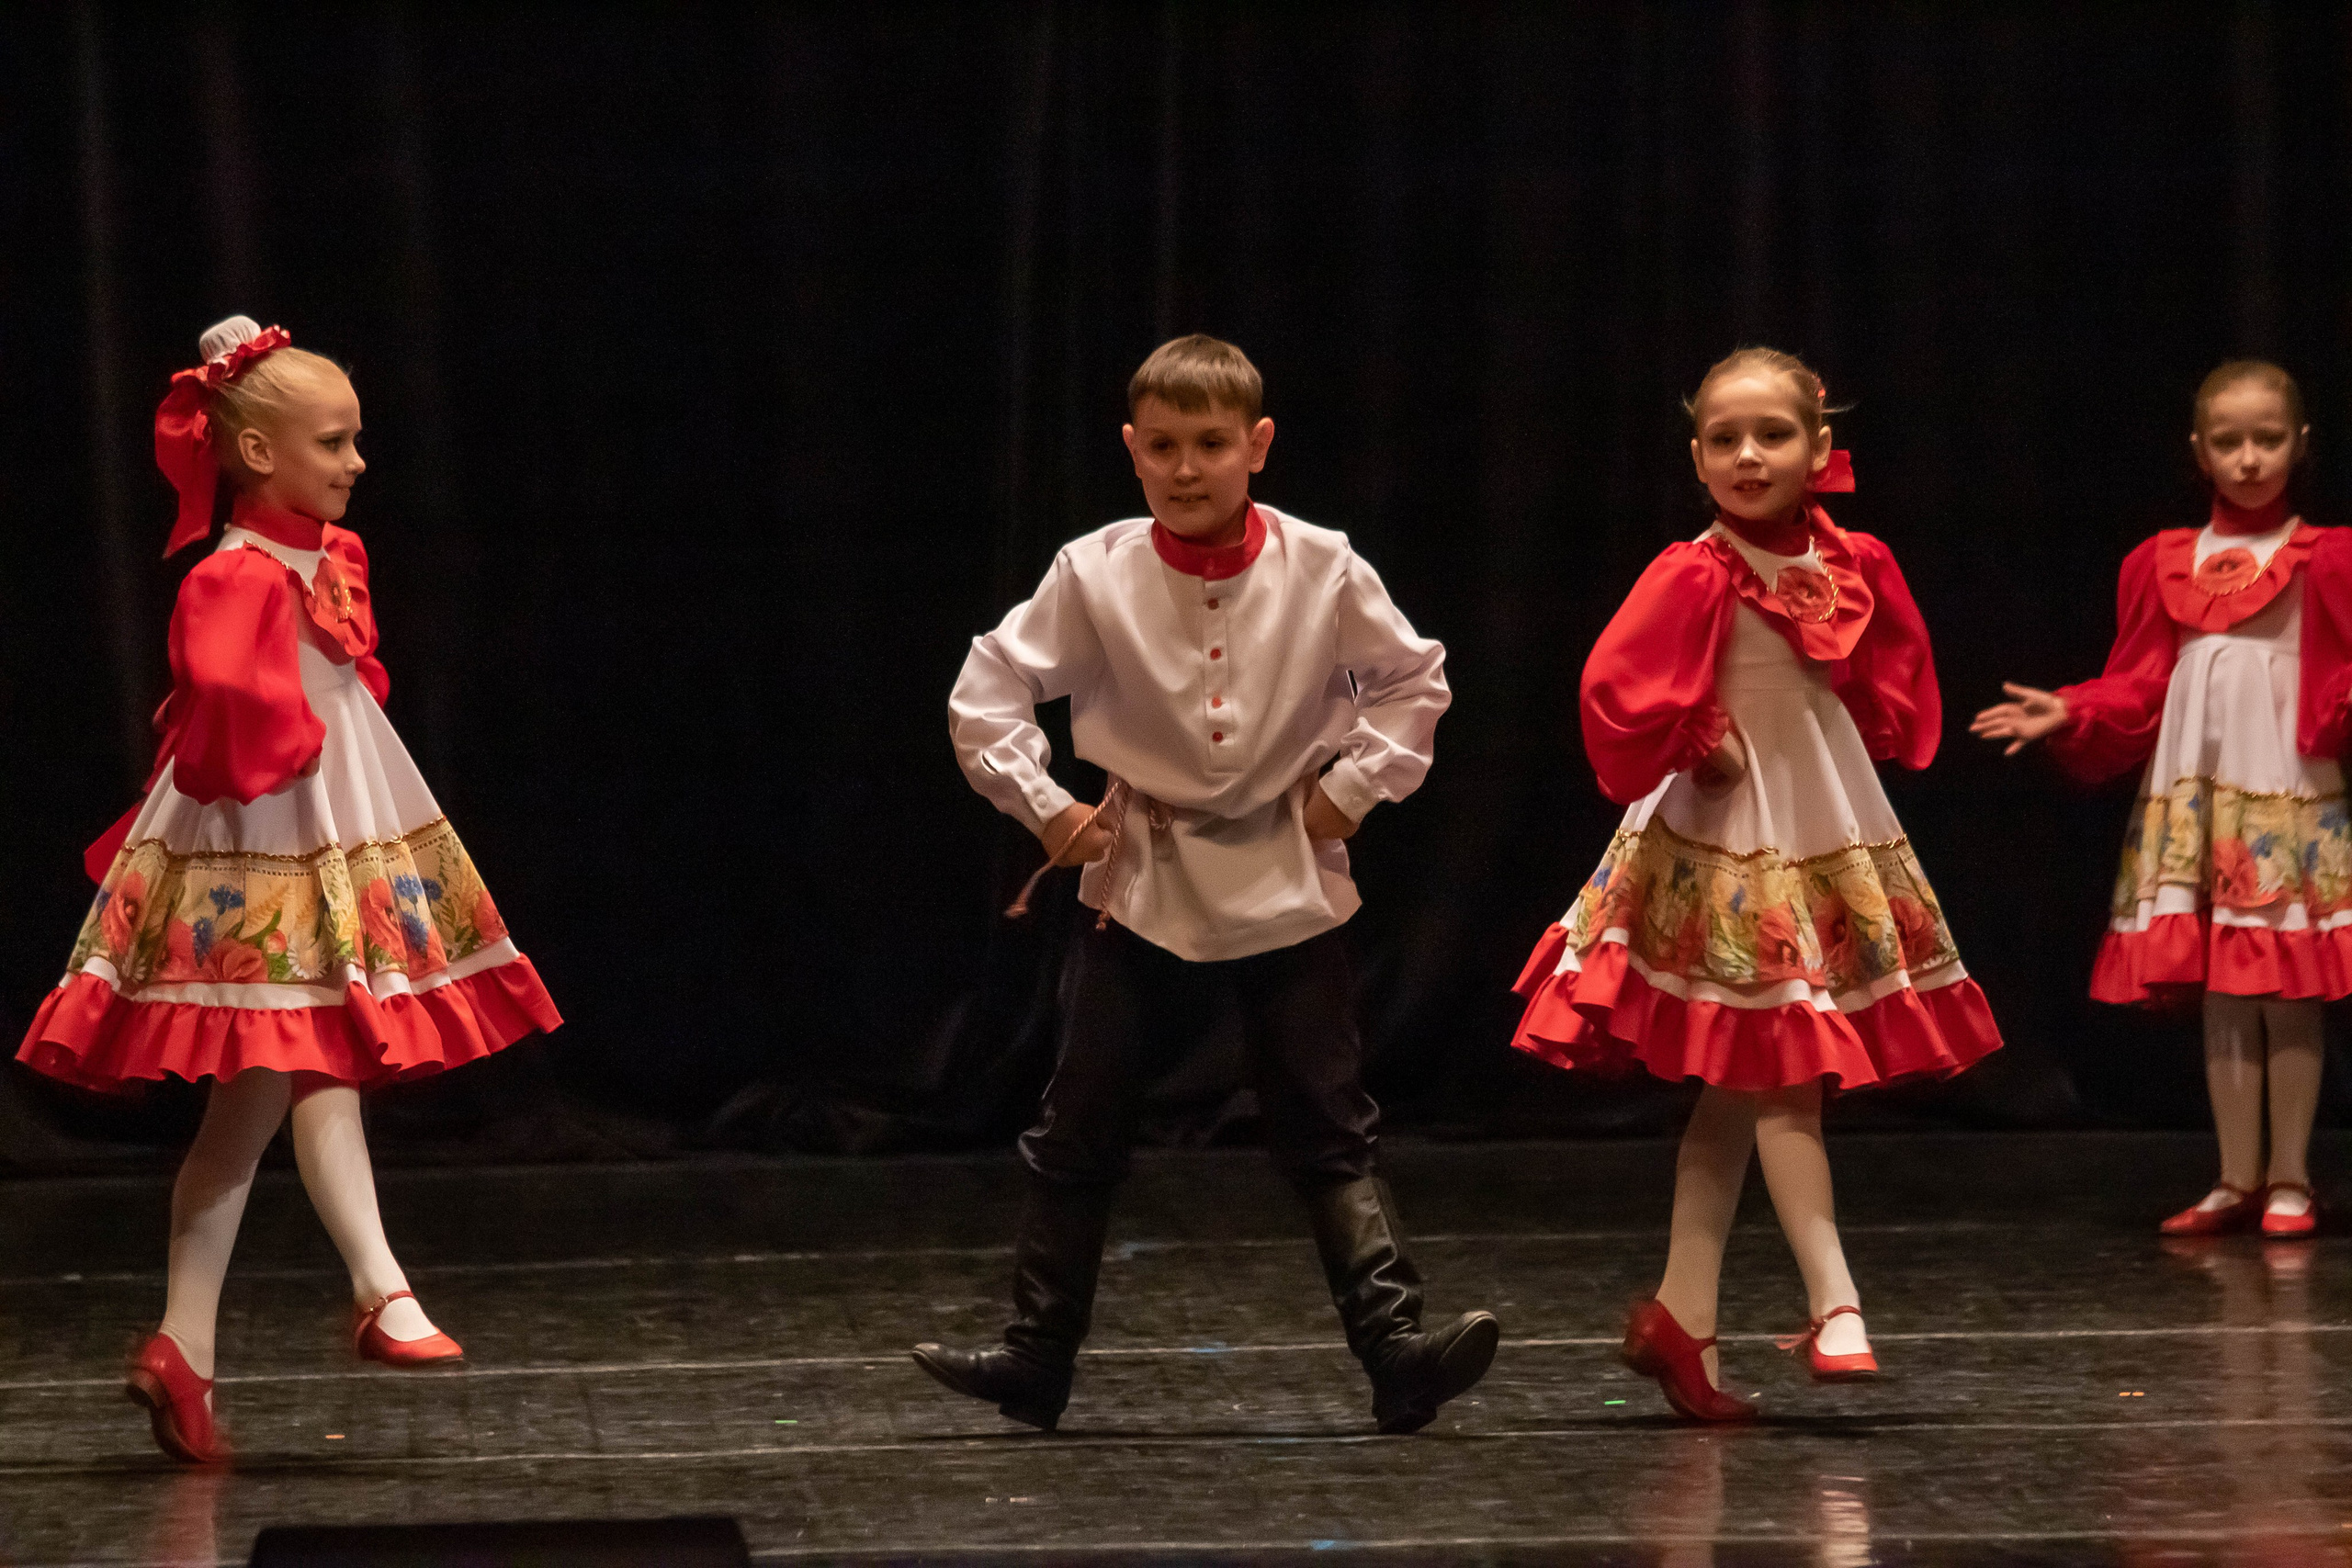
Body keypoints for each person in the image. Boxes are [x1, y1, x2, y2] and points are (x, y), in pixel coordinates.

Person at [918, 333, 1498, 1435]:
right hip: (1143, 876)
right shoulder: (1094, 572)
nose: (1188, 470)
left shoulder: (1322, 564)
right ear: (1132, 452)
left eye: (1213, 445)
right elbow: (986, 692)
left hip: (1285, 866)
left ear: (1257, 446)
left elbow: (1412, 678)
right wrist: (1048, 808)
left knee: (1325, 1119)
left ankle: (1395, 1351)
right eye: (1166, 448)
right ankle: (1036, 1357)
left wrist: (1354, 789)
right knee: (1080, 1115)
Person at [18, 317, 562, 1464]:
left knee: (247, 1109)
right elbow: (214, 694)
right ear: (257, 454)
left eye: (357, 439)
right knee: (309, 1052)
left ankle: (184, 1344)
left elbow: (348, 666)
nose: (357, 461)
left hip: (331, 814)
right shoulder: (234, 571)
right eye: (333, 442)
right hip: (255, 833)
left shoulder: (330, 553)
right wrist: (277, 724)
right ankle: (378, 1286)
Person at [1513, 347, 2001, 1422]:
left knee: (1735, 1094)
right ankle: (1836, 1300)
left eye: (1771, 435)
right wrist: (1694, 731)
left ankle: (1684, 1316)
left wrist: (1858, 723)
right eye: (1724, 439)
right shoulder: (1697, 568)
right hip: (1727, 838)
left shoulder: (1850, 558)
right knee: (1783, 1069)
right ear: (1696, 457)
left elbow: (1893, 669)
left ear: (1819, 449)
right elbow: (1614, 681)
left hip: (1819, 817)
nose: (1747, 455)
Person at [1973, 359, 2342, 1241]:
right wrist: (2075, 707)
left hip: (2283, 788)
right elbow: (2140, 681)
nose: (2249, 459)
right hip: (2198, 793)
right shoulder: (2164, 562)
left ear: (2299, 444)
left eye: (2266, 440)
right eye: (2229, 442)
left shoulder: (2328, 559)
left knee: (2285, 985)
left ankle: (2290, 1174)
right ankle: (2234, 1174)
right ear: (2199, 452)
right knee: (2221, 986)